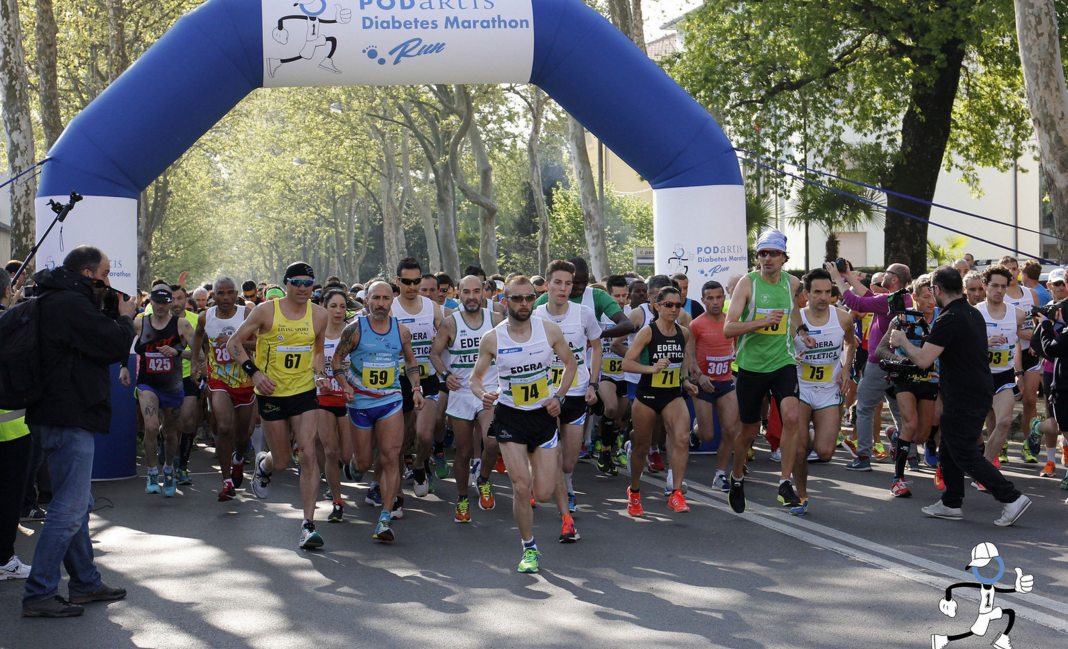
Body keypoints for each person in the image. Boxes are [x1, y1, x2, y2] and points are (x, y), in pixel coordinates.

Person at [22, 245, 137, 617]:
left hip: (54, 413)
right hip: (67, 416)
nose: (109, 283)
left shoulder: (53, 298)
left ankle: (85, 582)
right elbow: (113, 344)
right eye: (105, 275)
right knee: (69, 509)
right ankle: (39, 592)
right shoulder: (70, 305)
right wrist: (124, 319)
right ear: (88, 274)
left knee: (77, 503)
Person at [890, 266, 1031, 527]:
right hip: (974, 390)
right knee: (949, 447)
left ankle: (1011, 498)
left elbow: (923, 360)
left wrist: (902, 340)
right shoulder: (971, 313)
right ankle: (951, 502)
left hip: (965, 395)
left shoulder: (950, 318)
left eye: (932, 290)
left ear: (938, 290)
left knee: (965, 453)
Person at [470, 276, 577, 574]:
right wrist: (484, 395)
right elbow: (475, 378)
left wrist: (559, 396)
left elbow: (570, 363)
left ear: (534, 299)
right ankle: (529, 547)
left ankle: (534, 467)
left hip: (542, 415)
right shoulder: (492, 338)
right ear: (505, 301)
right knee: (520, 486)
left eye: (529, 298)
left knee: (541, 495)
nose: (524, 304)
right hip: (510, 416)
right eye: (517, 299)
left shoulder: (549, 330)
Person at [226, 262, 329, 549]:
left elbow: (318, 352)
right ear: (286, 284)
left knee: (308, 453)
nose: (303, 288)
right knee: (282, 461)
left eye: (308, 283)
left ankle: (308, 525)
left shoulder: (319, 315)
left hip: (304, 392)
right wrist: (255, 373)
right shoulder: (266, 310)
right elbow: (233, 344)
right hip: (271, 393)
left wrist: (320, 375)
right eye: (296, 282)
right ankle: (264, 463)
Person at [332, 280, 422, 541]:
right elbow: (337, 359)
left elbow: (411, 362)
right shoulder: (355, 330)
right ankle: (355, 465)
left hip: (390, 400)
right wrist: (344, 385)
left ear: (392, 299)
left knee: (391, 456)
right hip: (360, 403)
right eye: (376, 298)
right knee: (362, 463)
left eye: (385, 298)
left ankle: (385, 517)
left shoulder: (401, 332)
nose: (381, 303)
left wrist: (416, 388)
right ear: (367, 300)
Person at [723, 230, 804, 513]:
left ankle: (784, 483)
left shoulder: (792, 283)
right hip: (751, 367)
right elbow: (728, 328)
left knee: (792, 417)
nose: (767, 258)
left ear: (783, 257)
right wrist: (760, 322)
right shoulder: (748, 284)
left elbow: (791, 316)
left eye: (773, 253)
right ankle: (736, 477)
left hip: (782, 362)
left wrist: (800, 335)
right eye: (762, 253)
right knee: (747, 430)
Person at [533, 259, 602, 530]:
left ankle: (567, 482)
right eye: (558, 283)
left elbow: (596, 347)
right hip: (545, 394)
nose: (563, 288)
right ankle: (547, 489)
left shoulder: (583, 313)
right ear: (547, 284)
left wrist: (593, 383)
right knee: (550, 450)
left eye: (568, 284)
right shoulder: (536, 314)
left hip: (576, 391)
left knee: (570, 458)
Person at [430, 275, 504, 522]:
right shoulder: (450, 323)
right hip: (461, 392)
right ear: (457, 294)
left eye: (476, 291)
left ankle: (482, 478)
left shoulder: (495, 320)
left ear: (484, 292)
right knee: (462, 451)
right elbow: (434, 354)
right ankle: (462, 498)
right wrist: (445, 374)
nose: (471, 297)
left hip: (489, 389)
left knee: (492, 442)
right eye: (466, 292)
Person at [827, 259, 911, 471]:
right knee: (899, 410)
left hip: (879, 362)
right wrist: (849, 275)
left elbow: (856, 303)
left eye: (887, 273)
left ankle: (863, 457)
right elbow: (869, 296)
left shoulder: (889, 300)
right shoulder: (901, 298)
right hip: (898, 362)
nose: (882, 275)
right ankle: (910, 457)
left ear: (893, 279)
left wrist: (838, 279)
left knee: (864, 408)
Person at [622, 285, 699, 515]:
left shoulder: (683, 332)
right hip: (646, 395)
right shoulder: (648, 331)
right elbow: (627, 362)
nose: (674, 309)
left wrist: (685, 379)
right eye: (669, 305)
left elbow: (684, 359)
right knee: (642, 447)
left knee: (682, 439)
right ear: (657, 306)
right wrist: (652, 368)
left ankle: (676, 493)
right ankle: (634, 492)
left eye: (678, 305)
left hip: (672, 394)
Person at [121, 283, 195, 497]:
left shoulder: (182, 325)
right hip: (147, 384)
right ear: (150, 302)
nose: (161, 306)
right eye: (157, 302)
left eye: (165, 302)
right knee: (152, 427)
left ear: (170, 303)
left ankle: (169, 469)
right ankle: (153, 472)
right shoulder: (139, 324)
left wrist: (177, 352)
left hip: (173, 386)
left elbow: (199, 354)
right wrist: (123, 366)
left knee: (170, 432)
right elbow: (121, 341)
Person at [791, 268, 855, 514]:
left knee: (825, 452)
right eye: (817, 292)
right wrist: (791, 357)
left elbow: (850, 342)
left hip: (829, 389)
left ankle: (806, 433)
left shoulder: (842, 318)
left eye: (828, 292)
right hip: (801, 388)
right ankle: (802, 496)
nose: (823, 297)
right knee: (798, 449)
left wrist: (846, 368)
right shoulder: (795, 320)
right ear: (806, 294)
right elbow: (782, 347)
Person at [874, 274, 939, 499]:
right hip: (905, 380)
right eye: (926, 297)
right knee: (910, 424)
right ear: (915, 298)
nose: (931, 302)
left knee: (921, 436)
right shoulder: (901, 319)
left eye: (933, 296)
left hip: (931, 380)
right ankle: (898, 480)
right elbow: (880, 350)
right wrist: (903, 362)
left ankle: (895, 436)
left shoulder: (942, 319)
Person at [192, 276, 256, 501]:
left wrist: (234, 341)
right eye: (221, 293)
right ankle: (227, 481)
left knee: (242, 436)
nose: (226, 297)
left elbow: (262, 343)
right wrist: (195, 364)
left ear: (236, 293)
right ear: (214, 295)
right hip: (219, 380)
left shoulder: (246, 314)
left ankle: (239, 458)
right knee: (224, 427)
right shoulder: (205, 316)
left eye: (230, 293)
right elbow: (197, 338)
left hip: (245, 380)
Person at [392, 258, 444, 497]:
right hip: (399, 379)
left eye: (416, 281)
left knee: (424, 435)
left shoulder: (432, 307)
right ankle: (399, 476)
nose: (412, 286)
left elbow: (448, 334)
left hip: (428, 378)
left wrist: (441, 342)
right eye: (407, 282)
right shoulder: (391, 308)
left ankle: (420, 465)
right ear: (397, 281)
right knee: (403, 437)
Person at [689, 280, 740, 492]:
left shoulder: (731, 323)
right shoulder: (696, 325)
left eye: (719, 297)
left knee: (730, 431)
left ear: (725, 298)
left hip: (726, 383)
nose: (715, 302)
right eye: (710, 298)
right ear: (703, 300)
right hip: (703, 384)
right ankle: (695, 433)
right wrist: (699, 377)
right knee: (708, 435)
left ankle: (720, 474)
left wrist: (735, 376)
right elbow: (689, 358)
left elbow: (737, 351)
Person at [1, 267, 33, 582]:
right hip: (11, 429)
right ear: (7, 291)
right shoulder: (13, 326)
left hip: (12, 427)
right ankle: (4, 560)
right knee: (9, 499)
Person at [315, 288, 352, 522]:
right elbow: (311, 363)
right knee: (330, 451)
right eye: (333, 306)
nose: (338, 311)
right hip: (322, 399)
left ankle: (348, 469)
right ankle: (337, 502)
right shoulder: (316, 334)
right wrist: (318, 376)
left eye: (342, 306)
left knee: (347, 456)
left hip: (348, 399)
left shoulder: (353, 334)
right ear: (324, 307)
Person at [999, 256, 1040, 464]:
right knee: (1006, 404)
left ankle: (1028, 445)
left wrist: (1036, 339)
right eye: (1008, 269)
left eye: (1015, 269)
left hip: (1030, 353)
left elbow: (1038, 321)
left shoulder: (1031, 294)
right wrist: (1017, 331)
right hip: (1008, 354)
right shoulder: (1000, 296)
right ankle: (1001, 445)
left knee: (1030, 400)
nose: (1012, 273)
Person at [533, 257, 634, 339]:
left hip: (589, 362)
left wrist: (596, 335)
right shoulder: (546, 299)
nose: (581, 287)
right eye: (576, 282)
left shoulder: (597, 296)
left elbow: (627, 325)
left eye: (584, 282)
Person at [1031, 295, 1068, 493]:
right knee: (1062, 428)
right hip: (1062, 386)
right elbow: (1051, 349)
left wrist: (1047, 324)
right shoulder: (1063, 320)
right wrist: (1047, 325)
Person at [595, 275, 631, 475]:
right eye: (616, 295)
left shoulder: (633, 316)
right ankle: (605, 451)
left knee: (620, 418)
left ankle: (610, 445)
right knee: (611, 407)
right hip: (605, 373)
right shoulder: (600, 315)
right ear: (608, 295)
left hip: (625, 374)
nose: (620, 300)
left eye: (624, 295)